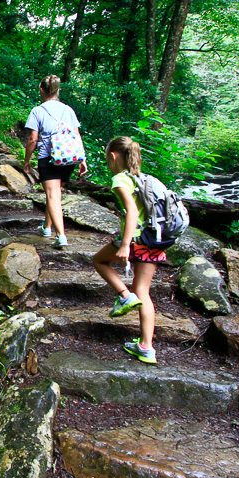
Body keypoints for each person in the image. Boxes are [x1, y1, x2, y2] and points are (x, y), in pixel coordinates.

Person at [92, 136, 164, 365]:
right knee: (144, 291)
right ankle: (146, 347)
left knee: (99, 261)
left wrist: (124, 244)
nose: (108, 163)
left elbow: (132, 212)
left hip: (136, 240)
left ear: (113, 156)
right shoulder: (144, 179)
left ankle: (124, 296)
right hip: (154, 239)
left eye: (107, 159)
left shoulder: (121, 180)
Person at [22, 75, 87, 248]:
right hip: (69, 157)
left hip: (48, 157)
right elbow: (76, 134)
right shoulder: (68, 110)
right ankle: (47, 227)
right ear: (58, 90)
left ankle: (61, 236)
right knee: (56, 194)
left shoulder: (38, 111)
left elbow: (32, 139)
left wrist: (27, 160)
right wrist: (82, 158)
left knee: (52, 195)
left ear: (42, 90)